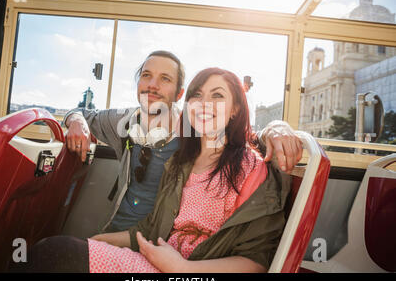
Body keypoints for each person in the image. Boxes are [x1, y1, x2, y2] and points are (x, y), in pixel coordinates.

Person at [15, 67, 291, 273]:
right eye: (197, 95)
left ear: (235, 109)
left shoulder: (252, 168)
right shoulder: (181, 162)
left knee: (54, 256)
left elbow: (256, 262)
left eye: (217, 96)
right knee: (53, 250)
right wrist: (99, 240)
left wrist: (182, 269)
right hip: (154, 261)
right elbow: (152, 227)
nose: (204, 103)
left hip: (190, 273)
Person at [64, 50, 302, 233]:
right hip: (117, 230)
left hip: (162, 238)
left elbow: (245, 137)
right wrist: (76, 122)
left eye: (165, 79)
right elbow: (80, 113)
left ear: (179, 94)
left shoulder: (196, 127)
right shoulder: (124, 120)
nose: (152, 85)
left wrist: (276, 127)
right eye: (146, 76)